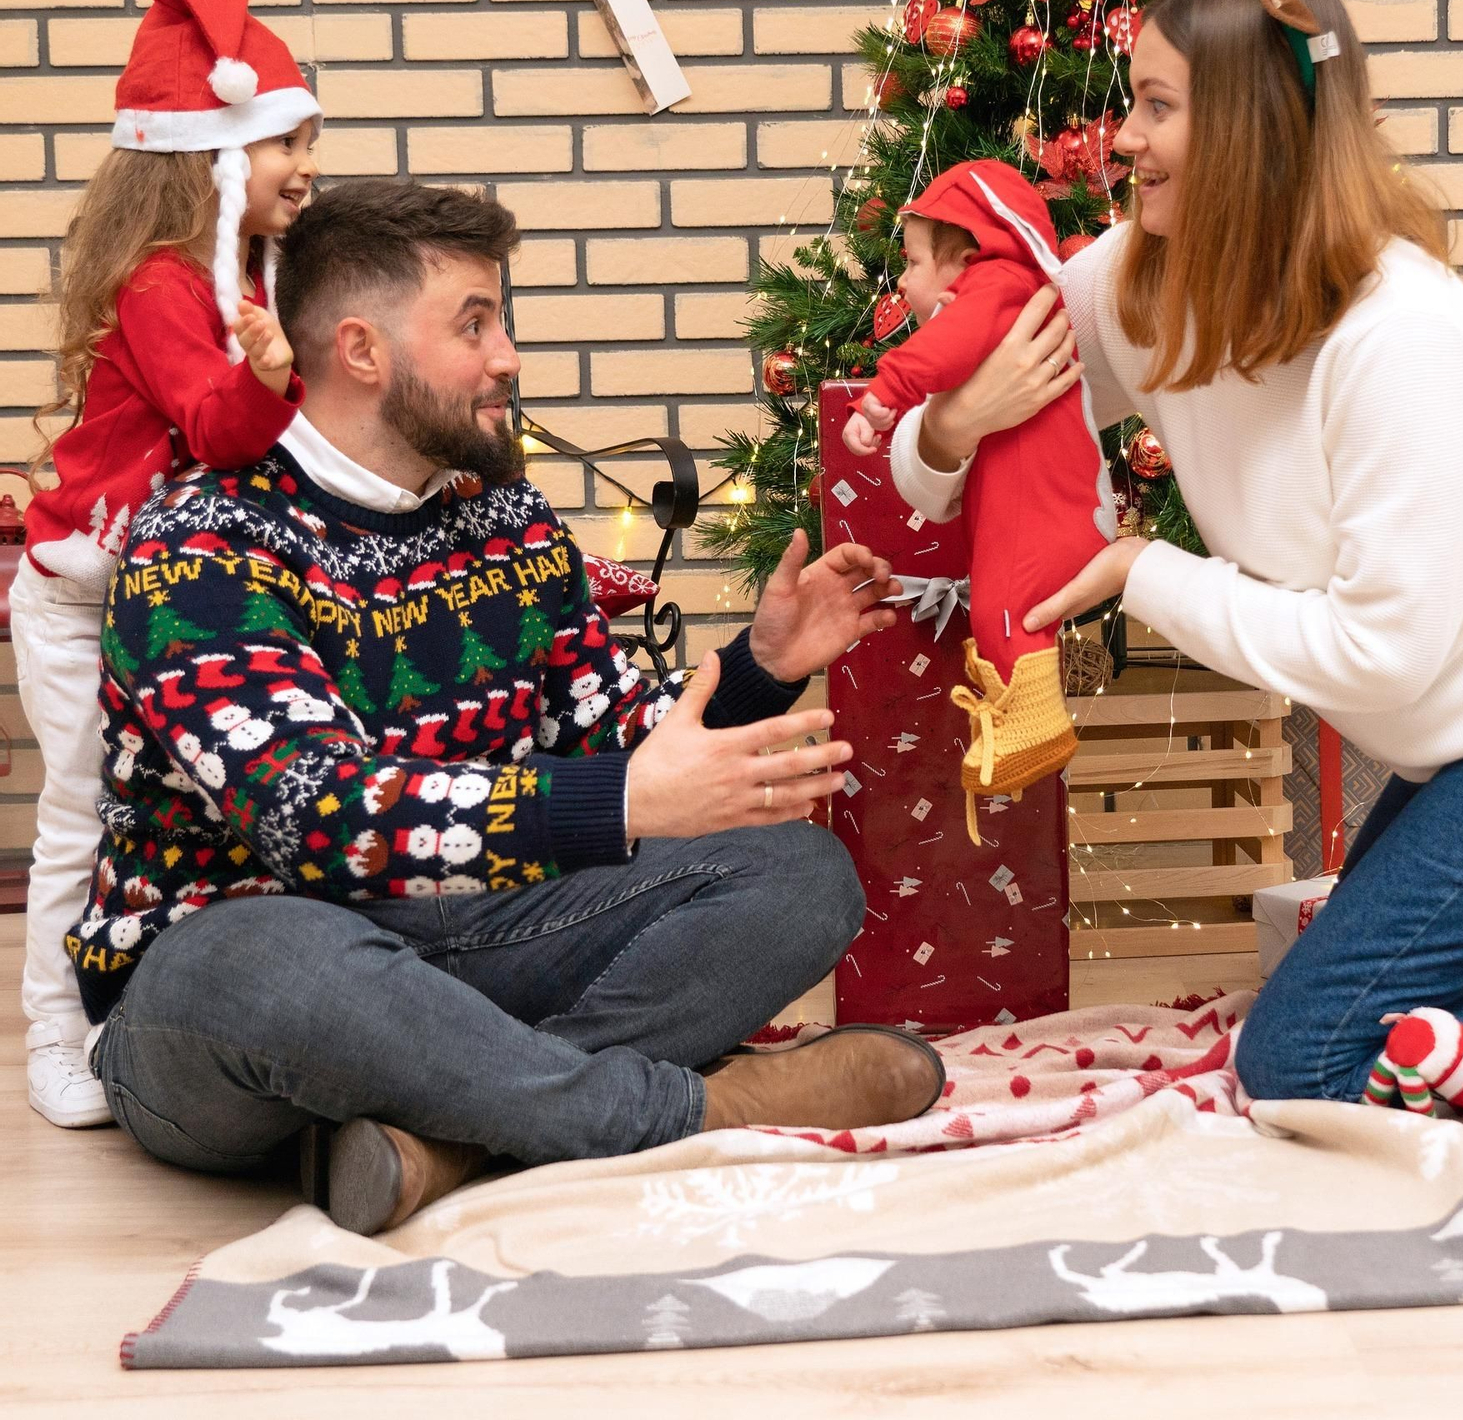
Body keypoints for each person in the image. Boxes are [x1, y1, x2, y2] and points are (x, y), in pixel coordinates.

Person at [76, 177, 944, 1236]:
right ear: (362, 350)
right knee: (268, 960)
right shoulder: (202, 536)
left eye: (502, 320)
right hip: (239, 982)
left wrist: (759, 665)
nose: (508, 358)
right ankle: (690, 1106)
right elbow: (317, 819)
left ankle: (452, 1131)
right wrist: (616, 804)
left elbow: (619, 741)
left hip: (475, 936)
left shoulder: (507, 522)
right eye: (474, 324)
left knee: (798, 874)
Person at [888, 0, 1463, 1128]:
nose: (1122, 138)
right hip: (1460, 747)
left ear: (1249, 125)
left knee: (1303, 1056)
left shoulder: (1395, 330)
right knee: (1382, 979)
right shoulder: (1140, 281)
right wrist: (962, 419)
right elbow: (929, 474)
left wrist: (1137, 570)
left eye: (1157, 105)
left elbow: (1380, 657)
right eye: (1132, 100)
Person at [15, 0, 319, 1128]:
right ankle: (55, 1030)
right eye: (286, 140)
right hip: (83, 598)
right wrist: (270, 376)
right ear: (216, 157)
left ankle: (136, 1012)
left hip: (161, 597)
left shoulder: (235, 285)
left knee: (164, 819)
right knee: (84, 810)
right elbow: (220, 427)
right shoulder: (162, 289)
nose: (305, 162)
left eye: (306, 140)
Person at [842, 160, 1117, 842]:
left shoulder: (995, 289)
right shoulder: (1020, 294)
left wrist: (883, 393)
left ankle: (1029, 728)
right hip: (1049, 503)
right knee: (1003, 596)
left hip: (1050, 511)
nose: (902, 283)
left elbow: (940, 351)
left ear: (965, 259)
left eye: (911, 263)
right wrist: (953, 419)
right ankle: (1023, 721)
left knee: (1002, 600)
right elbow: (936, 437)